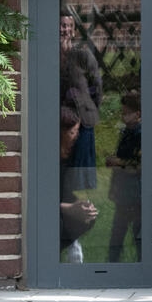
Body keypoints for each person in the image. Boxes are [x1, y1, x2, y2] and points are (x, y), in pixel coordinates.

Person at [59, 12, 101, 192]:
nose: (66, 30)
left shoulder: (83, 55)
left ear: (74, 31)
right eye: (62, 25)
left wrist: (86, 107)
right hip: (59, 120)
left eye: (69, 26)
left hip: (83, 120)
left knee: (80, 178)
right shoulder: (50, 56)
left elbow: (97, 86)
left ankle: (82, 209)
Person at [106, 90, 142, 262]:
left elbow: (139, 164)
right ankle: (113, 264)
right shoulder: (127, 132)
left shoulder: (139, 134)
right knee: (117, 235)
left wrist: (118, 162)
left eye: (126, 113)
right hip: (124, 191)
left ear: (138, 114)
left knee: (136, 234)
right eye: (123, 113)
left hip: (134, 192)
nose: (123, 117)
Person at [60, 106, 97, 263]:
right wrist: (71, 209)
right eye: (73, 132)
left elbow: (65, 193)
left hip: (63, 206)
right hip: (53, 213)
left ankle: (72, 243)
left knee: (88, 217)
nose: (77, 136)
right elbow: (41, 203)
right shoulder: (47, 160)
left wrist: (80, 205)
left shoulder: (69, 156)